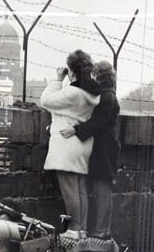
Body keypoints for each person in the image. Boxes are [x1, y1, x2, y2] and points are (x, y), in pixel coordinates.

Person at [41, 50, 100, 241]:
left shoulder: (73, 92)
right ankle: (81, 228)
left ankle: (73, 230)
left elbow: (46, 101)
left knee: (69, 189)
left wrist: (57, 79)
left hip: (66, 145)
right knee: (80, 188)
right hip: (82, 144)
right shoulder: (91, 92)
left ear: (72, 72)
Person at [61, 60, 120, 240]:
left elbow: (98, 122)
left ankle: (102, 231)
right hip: (104, 149)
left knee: (102, 190)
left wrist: (77, 129)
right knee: (102, 189)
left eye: (93, 75)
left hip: (103, 150)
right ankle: (102, 230)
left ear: (98, 76)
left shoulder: (107, 98)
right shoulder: (107, 95)